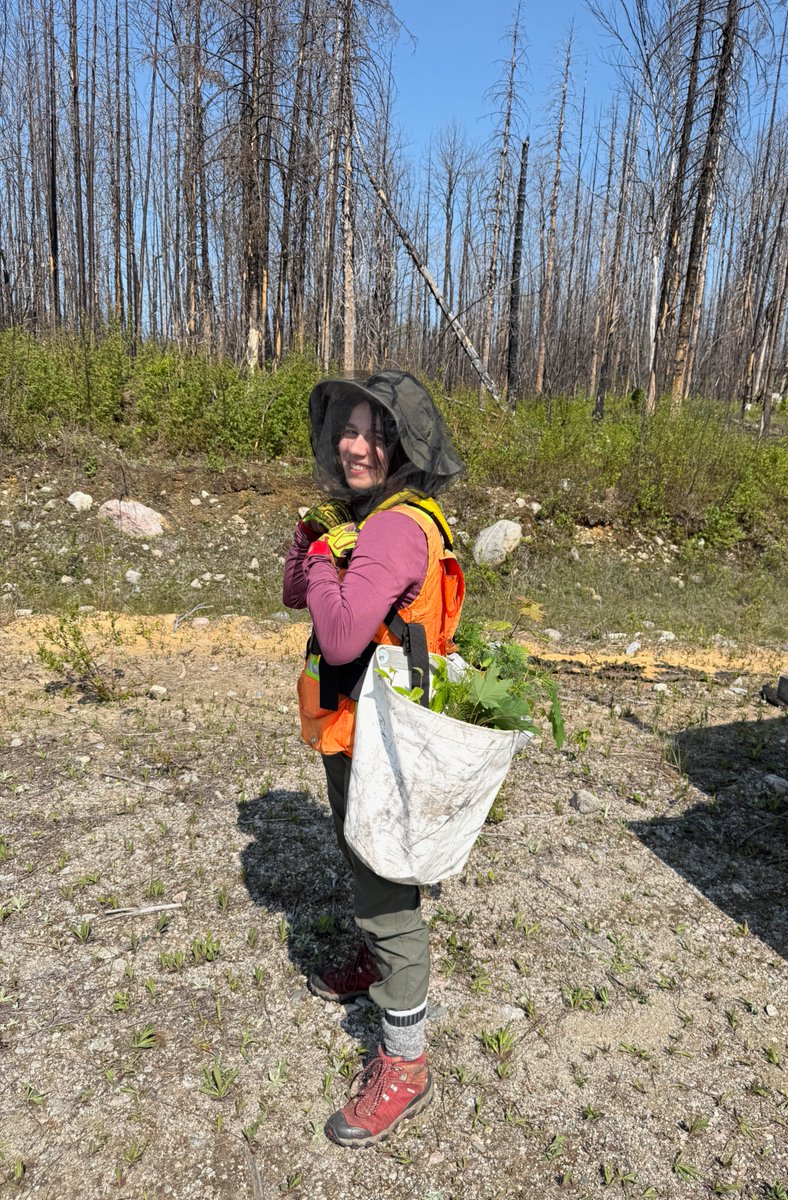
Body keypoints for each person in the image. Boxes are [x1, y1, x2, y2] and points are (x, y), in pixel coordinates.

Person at [282, 370, 465, 1148]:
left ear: (405, 447)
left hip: (381, 740)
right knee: (367, 863)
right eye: (349, 430)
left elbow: (344, 635)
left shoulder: (390, 529)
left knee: (390, 897)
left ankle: (407, 1063)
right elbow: (299, 592)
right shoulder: (369, 518)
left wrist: (325, 555)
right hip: (360, 728)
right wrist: (310, 546)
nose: (357, 445)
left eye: (377, 433)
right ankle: (369, 957)